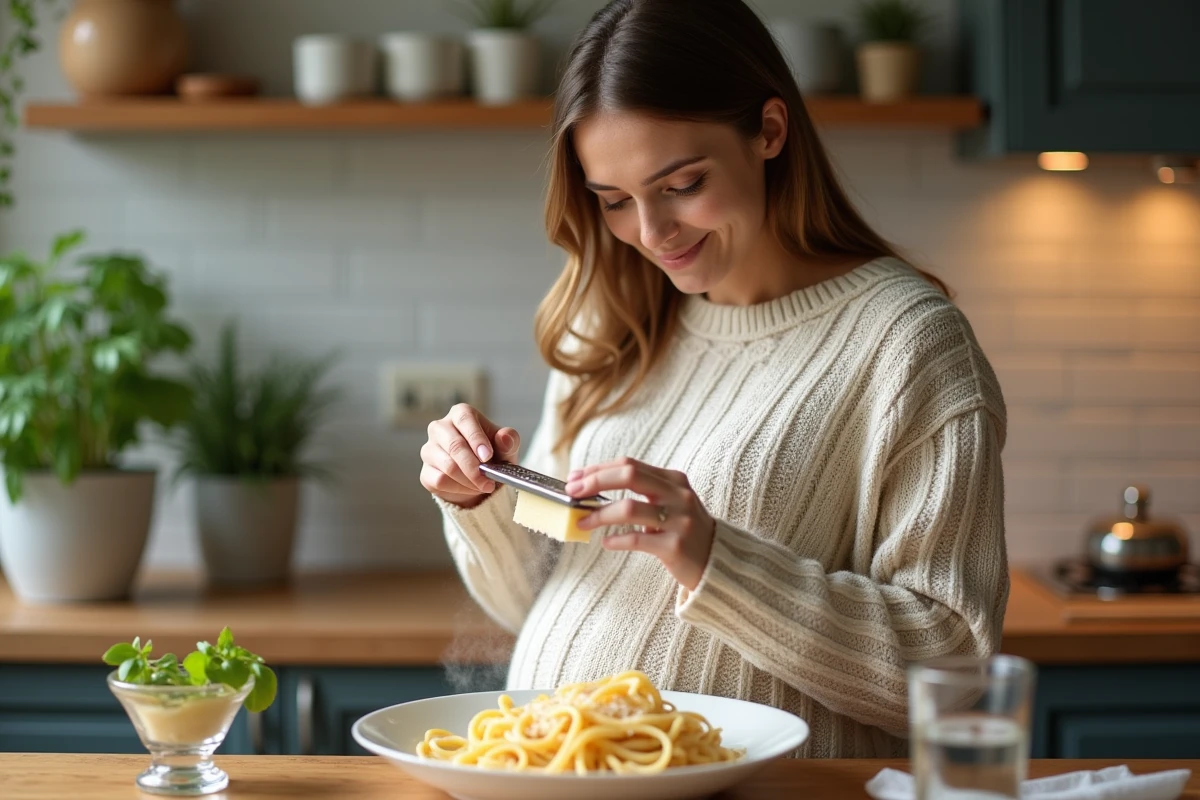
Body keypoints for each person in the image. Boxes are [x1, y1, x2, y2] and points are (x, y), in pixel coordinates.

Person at [419, 0, 1007, 758]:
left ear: (768, 130)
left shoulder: (908, 344)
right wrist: (486, 500)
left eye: (682, 183)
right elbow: (533, 600)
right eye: (614, 202)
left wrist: (714, 559)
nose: (653, 234)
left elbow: (952, 669)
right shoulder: (611, 323)